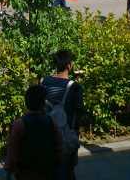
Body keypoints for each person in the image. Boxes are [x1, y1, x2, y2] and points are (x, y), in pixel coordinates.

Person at [41, 50, 84, 180]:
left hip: (46, 135)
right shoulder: (75, 87)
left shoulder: (43, 82)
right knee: (67, 171)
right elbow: (78, 114)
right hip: (66, 137)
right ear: (69, 66)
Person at [5, 84, 62, 180]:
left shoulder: (19, 124)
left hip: (26, 173)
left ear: (26, 102)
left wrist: (9, 170)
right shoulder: (51, 122)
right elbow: (59, 146)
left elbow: (12, 150)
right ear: (43, 103)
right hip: (47, 172)